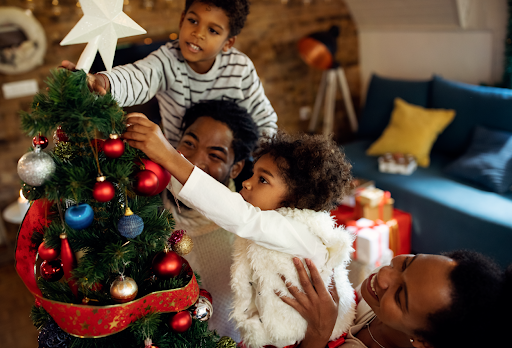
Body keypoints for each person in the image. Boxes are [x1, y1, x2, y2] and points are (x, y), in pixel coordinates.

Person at [123, 116, 356, 348]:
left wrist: (169, 156)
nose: (247, 183)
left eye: (263, 179)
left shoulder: (300, 232)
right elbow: (209, 201)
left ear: (295, 199)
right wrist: (160, 163)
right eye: (253, 174)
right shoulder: (278, 227)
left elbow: (236, 213)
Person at [62, 0, 277, 147]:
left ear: (228, 42)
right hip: (178, 165)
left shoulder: (241, 68)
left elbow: (264, 120)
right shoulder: (167, 59)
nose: (198, 33)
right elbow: (138, 77)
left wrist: (257, 159)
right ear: (182, 19)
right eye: (193, 21)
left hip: (228, 166)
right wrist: (101, 81)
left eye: (212, 30)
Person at [279, 250, 512, 348]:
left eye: (400, 295)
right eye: (407, 263)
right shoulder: (372, 299)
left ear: (423, 342)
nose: (383, 275)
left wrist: (317, 335)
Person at [167, 99, 259, 341]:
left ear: (236, 169)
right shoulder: (145, 205)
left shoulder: (241, 237)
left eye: (215, 155)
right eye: (189, 143)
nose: (194, 162)